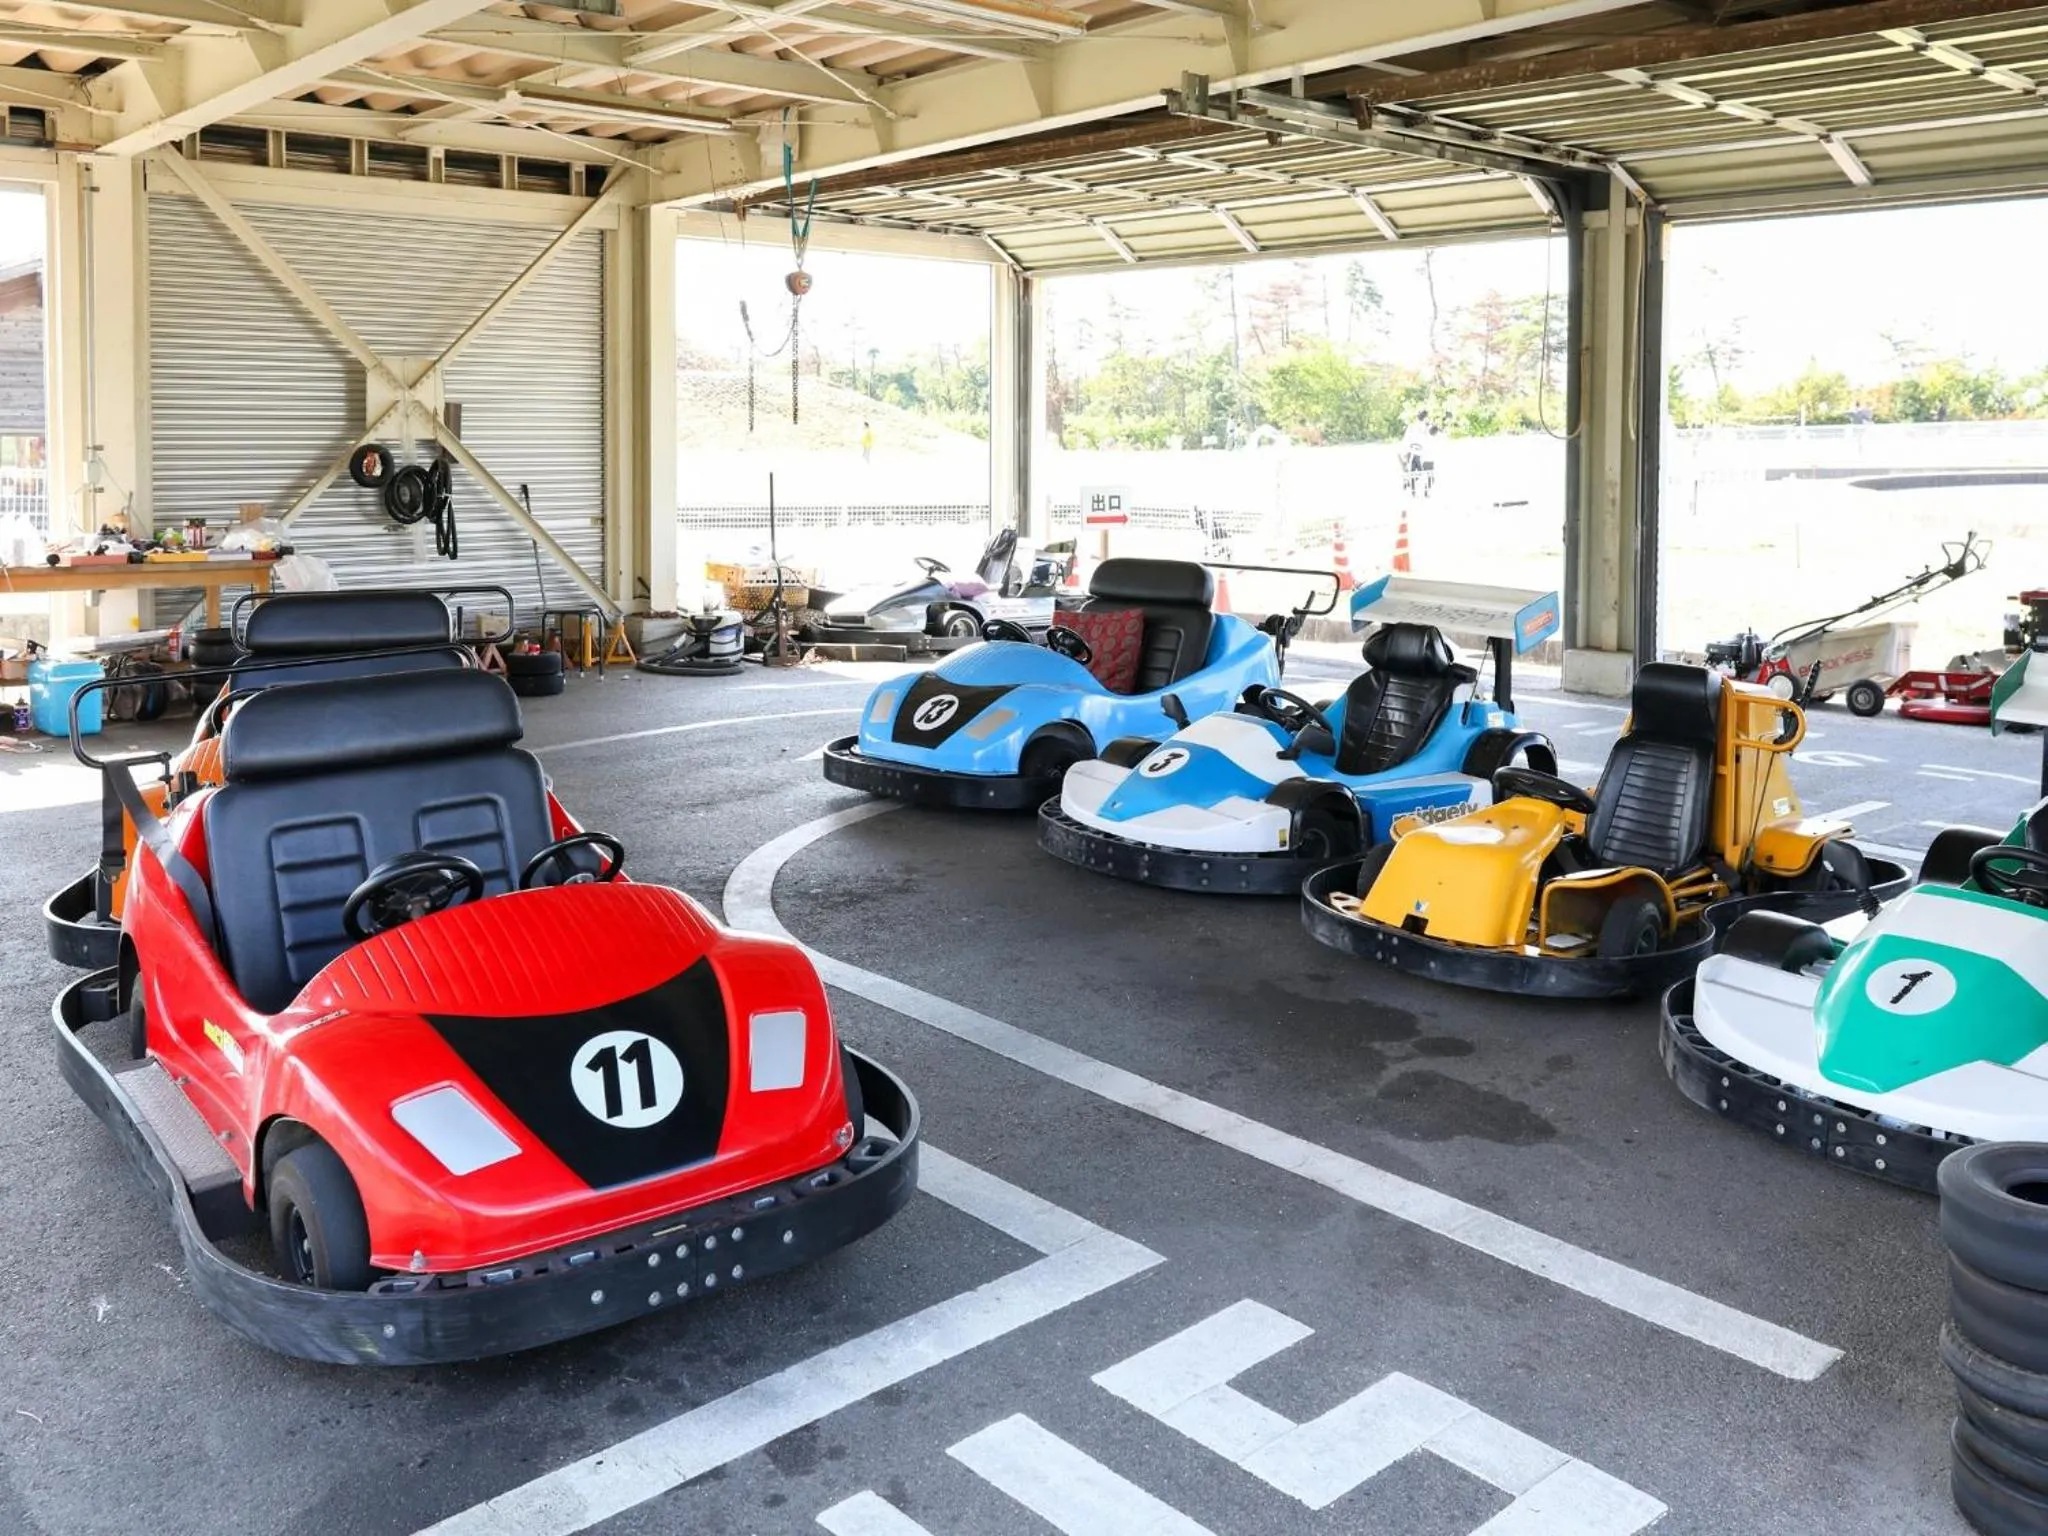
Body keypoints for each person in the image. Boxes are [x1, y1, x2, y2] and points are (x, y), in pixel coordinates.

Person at [1400, 410, 1437, 499]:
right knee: (1422, 474)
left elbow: (1407, 439)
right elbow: (1428, 436)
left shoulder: (1413, 426)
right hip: (1419, 453)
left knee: (1414, 473)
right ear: (1425, 417)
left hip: (1413, 452)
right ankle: (1421, 491)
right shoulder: (1423, 427)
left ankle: (1412, 488)